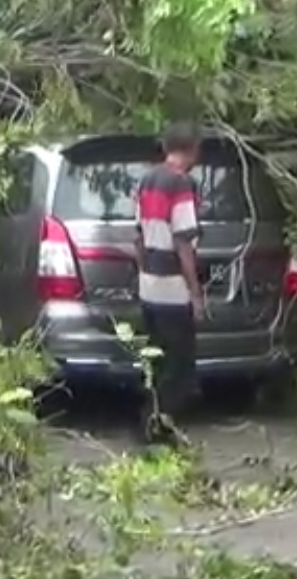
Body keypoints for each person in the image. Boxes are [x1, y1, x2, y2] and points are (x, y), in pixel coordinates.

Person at [133, 122, 204, 447]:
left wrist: (142, 271)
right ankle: (160, 427)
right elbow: (184, 242)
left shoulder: (146, 180)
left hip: (148, 285)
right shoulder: (181, 184)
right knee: (180, 365)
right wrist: (195, 292)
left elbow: (137, 235)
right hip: (173, 289)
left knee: (157, 360)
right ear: (192, 150)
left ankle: (150, 422)